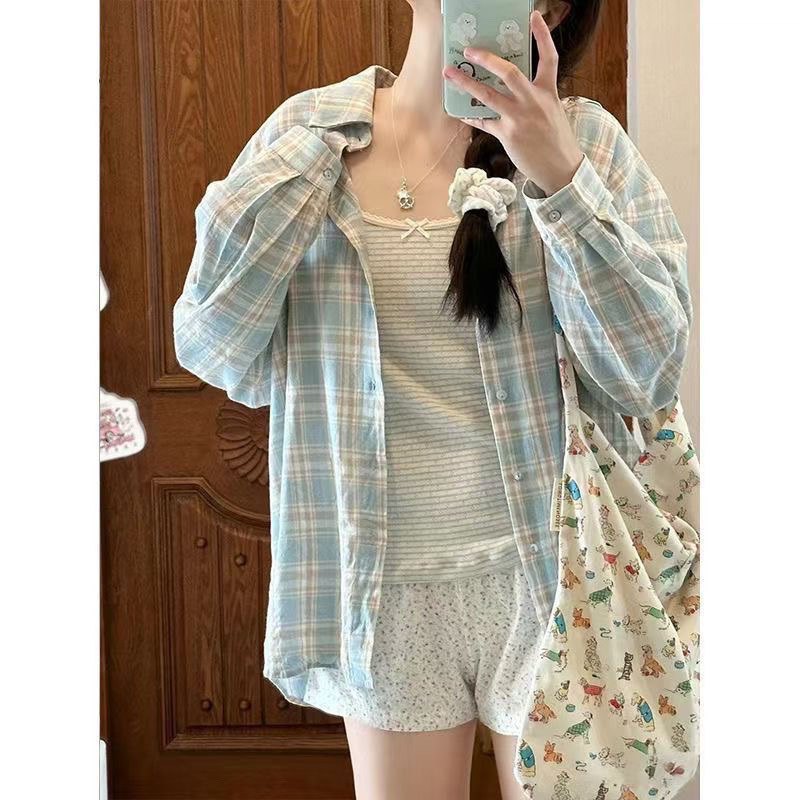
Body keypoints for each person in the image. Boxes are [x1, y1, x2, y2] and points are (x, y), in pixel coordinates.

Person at [172, 1, 693, 797]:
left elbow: (647, 374)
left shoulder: (584, 142)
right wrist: (297, 175)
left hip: (558, 583)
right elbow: (213, 348)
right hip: (383, 597)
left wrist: (560, 180)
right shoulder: (308, 137)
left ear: (548, 6)